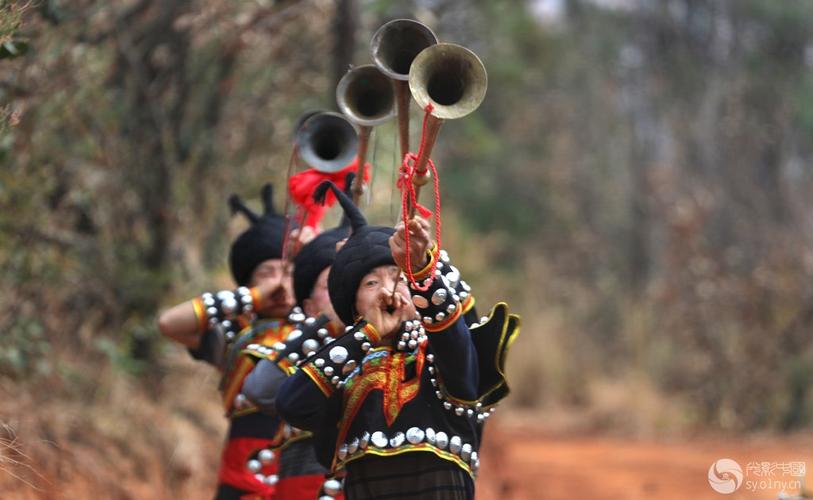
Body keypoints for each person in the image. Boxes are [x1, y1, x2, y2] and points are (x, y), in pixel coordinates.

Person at [276, 181, 520, 499]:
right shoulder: (345, 367)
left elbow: (460, 360)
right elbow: (290, 405)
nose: (387, 289)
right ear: (353, 306)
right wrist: (367, 332)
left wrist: (420, 270)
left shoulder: (440, 351)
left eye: (397, 277)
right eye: (371, 282)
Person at [158, 184, 305, 499]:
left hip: (304, 477)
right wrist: (253, 297)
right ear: (248, 281)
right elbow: (169, 323)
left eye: (290, 273)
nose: (280, 283)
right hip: (241, 479)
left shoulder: (325, 332)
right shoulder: (234, 336)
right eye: (268, 272)